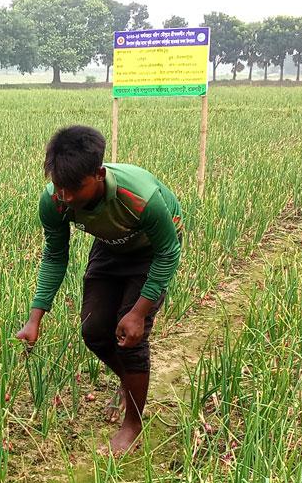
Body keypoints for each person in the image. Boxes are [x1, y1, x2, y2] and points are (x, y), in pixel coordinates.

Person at [15, 125, 183, 455]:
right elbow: (54, 254)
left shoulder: (140, 198)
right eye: (60, 188)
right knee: (94, 331)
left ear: (99, 174)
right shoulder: (55, 199)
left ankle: (133, 424)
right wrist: (35, 318)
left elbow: (168, 253)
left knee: (131, 337)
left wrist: (138, 312)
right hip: (110, 245)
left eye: (74, 189)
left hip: (151, 250)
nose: (66, 198)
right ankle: (131, 383)